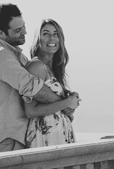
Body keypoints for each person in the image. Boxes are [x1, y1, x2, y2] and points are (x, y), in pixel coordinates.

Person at [0, 3, 73, 153]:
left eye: (23, 26)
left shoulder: (17, 56)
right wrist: (66, 104)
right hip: (8, 140)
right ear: (0, 33)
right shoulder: (0, 56)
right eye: (18, 30)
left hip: (18, 138)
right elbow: (33, 87)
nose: (25, 31)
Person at [23, 18, 80, 147]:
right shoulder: (36, 66)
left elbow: (55, 105)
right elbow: (30, 111)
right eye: (46, 34)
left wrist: (70, 101)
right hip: (44, 138)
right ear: (38, 40)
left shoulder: (53, 69)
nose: (52, 38)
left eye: (55, 34)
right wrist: (66, 102)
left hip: (59, 137)